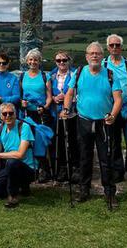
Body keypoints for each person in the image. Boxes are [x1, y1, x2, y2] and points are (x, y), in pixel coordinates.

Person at [61, 42, 123, 207]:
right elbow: (69, 93)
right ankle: (84, 190)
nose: (94, 56)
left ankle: (109, 193)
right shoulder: (79, 73)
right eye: (91, 53)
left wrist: (113, 115)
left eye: (97, 53)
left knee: (106, 158)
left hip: (104, 122)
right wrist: (66, 108)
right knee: (84, 157)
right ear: (86, 56)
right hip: (84, 120)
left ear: (102, 57)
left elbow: (118, 99)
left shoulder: (110, 74)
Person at [0, 103, 37, 208]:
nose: (8, 116)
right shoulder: (0, 128)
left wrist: (0, 155)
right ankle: (19, 188)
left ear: (15, 114)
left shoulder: (24, 127)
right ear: (1, 116)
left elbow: (20, 154)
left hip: (28, 169)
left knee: (12, 162)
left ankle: (13, 196)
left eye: (11, 113)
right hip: (10, 168)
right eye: (5, 114)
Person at [103, 34, 127, 184]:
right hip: (112, 108)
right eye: (112, 45)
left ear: (121, 47)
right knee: (114, 142)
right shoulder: (104, 63)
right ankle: (118, 172)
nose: (114, 48)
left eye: (117, 45)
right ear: (107, 47)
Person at [19, 48, 52, 182]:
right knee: (28, 141)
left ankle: (44, 169)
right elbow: (20, 96)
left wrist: (44, 107)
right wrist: (22, 103)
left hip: (41, 112)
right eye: (31, 59)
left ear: (39, 61)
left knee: (41, 141)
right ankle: (31, 168)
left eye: (36, 60)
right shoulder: (22, 76)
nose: (33, 62)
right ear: (27, 61)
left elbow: (49, 96)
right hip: (27, 113)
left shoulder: (45, 76)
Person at [49, 50, 79, 182]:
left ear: (69, 61)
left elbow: (78, 93)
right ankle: (62, 168)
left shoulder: (75, 75)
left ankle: (75, 168)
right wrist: (54, 98)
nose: (61, 63)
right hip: (56, 113)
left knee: (73, 140)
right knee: (59, 140)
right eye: (58, 61)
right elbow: (47, 92)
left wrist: (68, 98)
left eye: (64, 60)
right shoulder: (51, 75)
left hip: (71, 113)